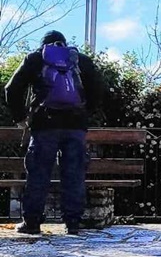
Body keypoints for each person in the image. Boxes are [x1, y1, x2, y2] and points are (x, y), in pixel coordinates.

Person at [4, 31, 103, 235]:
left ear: (43, 45)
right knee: (74, 174)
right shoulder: (80, 60)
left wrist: (20, 118)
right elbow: (100, 88)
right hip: (75, 126)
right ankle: (73, 223)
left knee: (39, 174)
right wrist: (85, 112)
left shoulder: (36, 58)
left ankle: (31, 223)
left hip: (44, 125)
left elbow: (12, 88)